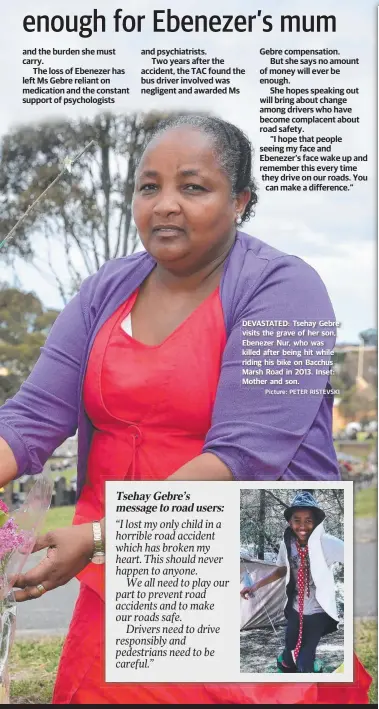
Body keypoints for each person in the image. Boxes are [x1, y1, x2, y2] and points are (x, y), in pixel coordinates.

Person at [0, 114, 368, 704]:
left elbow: (241, 460)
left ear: (242, 200)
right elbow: (30, 420)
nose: (165, 205)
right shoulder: (104, 291)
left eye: (192, 187)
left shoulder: (289, 291)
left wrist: (98, 537)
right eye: (150, 187)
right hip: (125, 575)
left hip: (253, 572)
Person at [240, 491, 343, 674]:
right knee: (289, 650)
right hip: (296, 608)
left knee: (304, 658)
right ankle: (287, 662)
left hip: (318, 611)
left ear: (316, 522)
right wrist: (255, 585)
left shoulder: (326, 543)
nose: (302, 526)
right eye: (297, 520)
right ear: (290, 522)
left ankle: (307, 685)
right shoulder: (287, 544)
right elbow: (282, 569)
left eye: (308, 520)